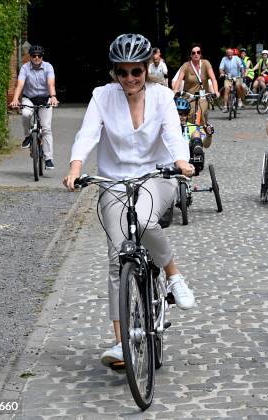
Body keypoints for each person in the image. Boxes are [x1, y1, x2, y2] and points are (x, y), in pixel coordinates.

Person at [63, 33, 196, 368]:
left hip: (157, 176)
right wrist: (75, 167)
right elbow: (88, 133)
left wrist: (181, 161)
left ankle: (173, 274)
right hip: (113, 181)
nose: (129, 79)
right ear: (115, 73)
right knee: (115, 259)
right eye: (122, 73)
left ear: (145, 69)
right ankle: (123, 343)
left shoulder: (163, 96)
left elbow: (171, 134)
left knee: (146, 219)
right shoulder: (102, 97)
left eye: (135, 72)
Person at [9, 45, 59, 169]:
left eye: (39, 56)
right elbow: (20, 84)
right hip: (29, 98)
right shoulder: (25, 68)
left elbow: (50, 83)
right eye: (34, 56)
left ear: (42, 57)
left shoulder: (48, 67)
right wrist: (15, 99)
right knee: (26, 114)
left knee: (46, 128)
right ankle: (27, 136)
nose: (37, 58)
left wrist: (53, 96)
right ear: (30, 57)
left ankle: (48, 159)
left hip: (44, 99)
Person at [172, 43, 219, 147]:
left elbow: (213, 78)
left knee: (201, 114)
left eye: (198, 52)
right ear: (190, 55)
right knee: (187, 116)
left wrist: (216, 91)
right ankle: (186, 139)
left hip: (203, 96)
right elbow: (179, 79)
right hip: (188, 96)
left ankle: (201, 139)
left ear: (201, 54)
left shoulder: (206, 64)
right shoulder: (186, 65)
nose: (196, 54)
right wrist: (175, 90)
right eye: (193, 53)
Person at [175, 96, 206, 175]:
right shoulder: (167, 127)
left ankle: (197, 148)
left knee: (196, 132)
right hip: (173, 157)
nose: (182, 117)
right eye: (179, 114)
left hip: (190, 157)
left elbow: (206, 144)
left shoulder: (192, 127)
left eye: (185, 114)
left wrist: (209, 135)